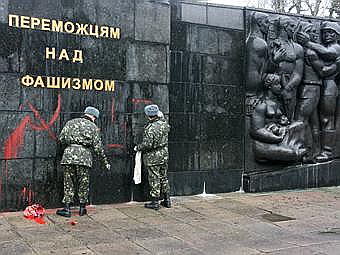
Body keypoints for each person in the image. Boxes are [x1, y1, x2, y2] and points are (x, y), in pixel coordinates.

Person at [56, 106, 110, 217]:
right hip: (84, 158)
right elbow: (98, 148)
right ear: (94, 117)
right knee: (83, 183)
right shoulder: (93, 127)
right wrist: (105, 162)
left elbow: (61, 139)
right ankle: (82, 208)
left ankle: (66, 209)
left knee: (68, 182)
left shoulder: (70, 123)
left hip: (68, 156)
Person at [135, 104, 171, 210]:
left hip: (153, 156)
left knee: (154, 178)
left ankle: (155, 202)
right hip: (164, 154)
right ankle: (167, 200)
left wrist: (138, 147)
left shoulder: (150, 128)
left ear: (148, 115)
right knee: (163, 177)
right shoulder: (164, 124)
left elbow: (147, 144)